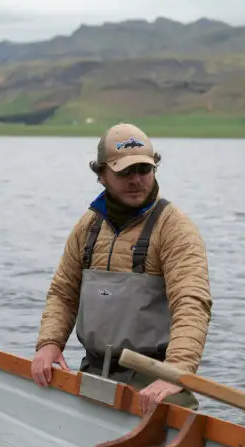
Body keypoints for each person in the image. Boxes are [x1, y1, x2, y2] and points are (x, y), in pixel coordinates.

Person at [31, 122, 212, 413]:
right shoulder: (88, 226)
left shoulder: (175, 228)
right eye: (124, 171)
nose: (136, 180)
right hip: (93, 372)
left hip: (154, 379)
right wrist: (49, 344)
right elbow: (63, 293)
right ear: (101, 175)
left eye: (144, 170)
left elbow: (192, 303)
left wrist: (176, 371)